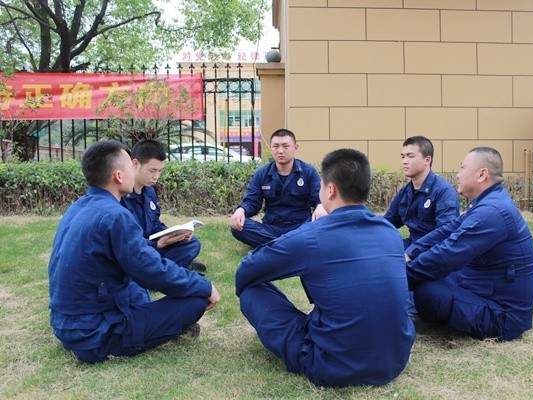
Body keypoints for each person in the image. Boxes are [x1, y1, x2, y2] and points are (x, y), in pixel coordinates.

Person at [235, 149, 416, 387]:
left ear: (330, 190)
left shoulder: (312, 236)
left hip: (331, 366)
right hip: (395, 360)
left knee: (251, 292)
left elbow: (246, 271)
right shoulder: (390, 232)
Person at [48, 140, 220, 363]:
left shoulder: (78, 206)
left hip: (65, 323)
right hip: (93, 334)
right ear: (119, 176)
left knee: (136, 288)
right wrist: (204, 286)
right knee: (195, 301)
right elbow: (152, 270)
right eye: (131, 165)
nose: (135, 169)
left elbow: (138, 264)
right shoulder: (115, 215)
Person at [405, 147, 533, 341]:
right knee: (425, 273)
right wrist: (411, 252)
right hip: (479, 286)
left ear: (482, 175)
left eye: (462, 168)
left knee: (427, 291)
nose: (458, 175)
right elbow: (447, 230)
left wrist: (398, 277)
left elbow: (447, 255)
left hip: (504, 317)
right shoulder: (489, 202)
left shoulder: (493, 211)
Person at [229, 128, 326, 248]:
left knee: (323, 221)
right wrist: (241, 210)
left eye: (285, 146)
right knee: (238, 227)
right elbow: (252, 202)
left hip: (301, 226)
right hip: (271, 228)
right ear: (271, 148)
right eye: (276, 146)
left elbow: (319, 198)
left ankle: (276, 246)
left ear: (295, 147)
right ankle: (293, 245)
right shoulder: (262, 174)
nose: (280, 151)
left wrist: (321, 205)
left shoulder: (308, 172)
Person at [121, 139, 205, 271]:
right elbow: (126, 241)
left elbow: (155, 224)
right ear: (135, 164)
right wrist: (156, 244)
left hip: (153, 246)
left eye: (160, 171)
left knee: (192, 243)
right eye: (152, 170)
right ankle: (173, 267)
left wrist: (176, 234)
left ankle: (169, 266)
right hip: (136, 251)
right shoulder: (121, 195)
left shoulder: (149, 192)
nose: (156, 176)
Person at [384, 136, 459, 249]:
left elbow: (446, 232)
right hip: (412, 244)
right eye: (403, 156)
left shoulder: (443, 191)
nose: (404, 161)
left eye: (410, 156)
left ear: (427, 160)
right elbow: (388, 221)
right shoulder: (406, 191)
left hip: (434, 250)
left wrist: (412, 252)